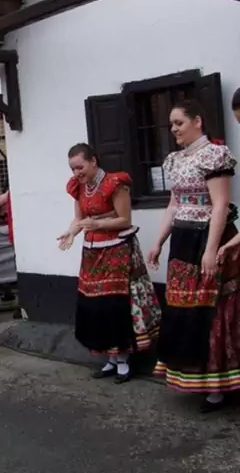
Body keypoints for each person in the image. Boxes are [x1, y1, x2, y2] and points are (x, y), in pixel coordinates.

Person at [147, 99, 240, 413]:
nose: (173, 129)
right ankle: (198, 379)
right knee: (184, 308)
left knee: (214, 309)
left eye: (179, 123)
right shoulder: (174, 160)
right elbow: (174, 205)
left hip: (208, 237)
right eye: (171, 124)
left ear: (197, 121)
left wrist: (211, 250)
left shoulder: (214, 155)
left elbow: (220, 206)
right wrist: (159, 241)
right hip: (183, 241)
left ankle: (218, 386)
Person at [58, 143, 161, 384]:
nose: (76, 174)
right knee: (96, 305)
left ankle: (124, 359)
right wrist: (71, 233)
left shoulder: (115, 183)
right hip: (92, 254)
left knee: (115, 304)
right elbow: (79, 219)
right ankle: (110, 359)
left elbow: (125, 219)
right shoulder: (79, 188)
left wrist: (98, 225)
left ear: (93, 161)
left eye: (80, 167)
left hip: (117, 251)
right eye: (73, 169)